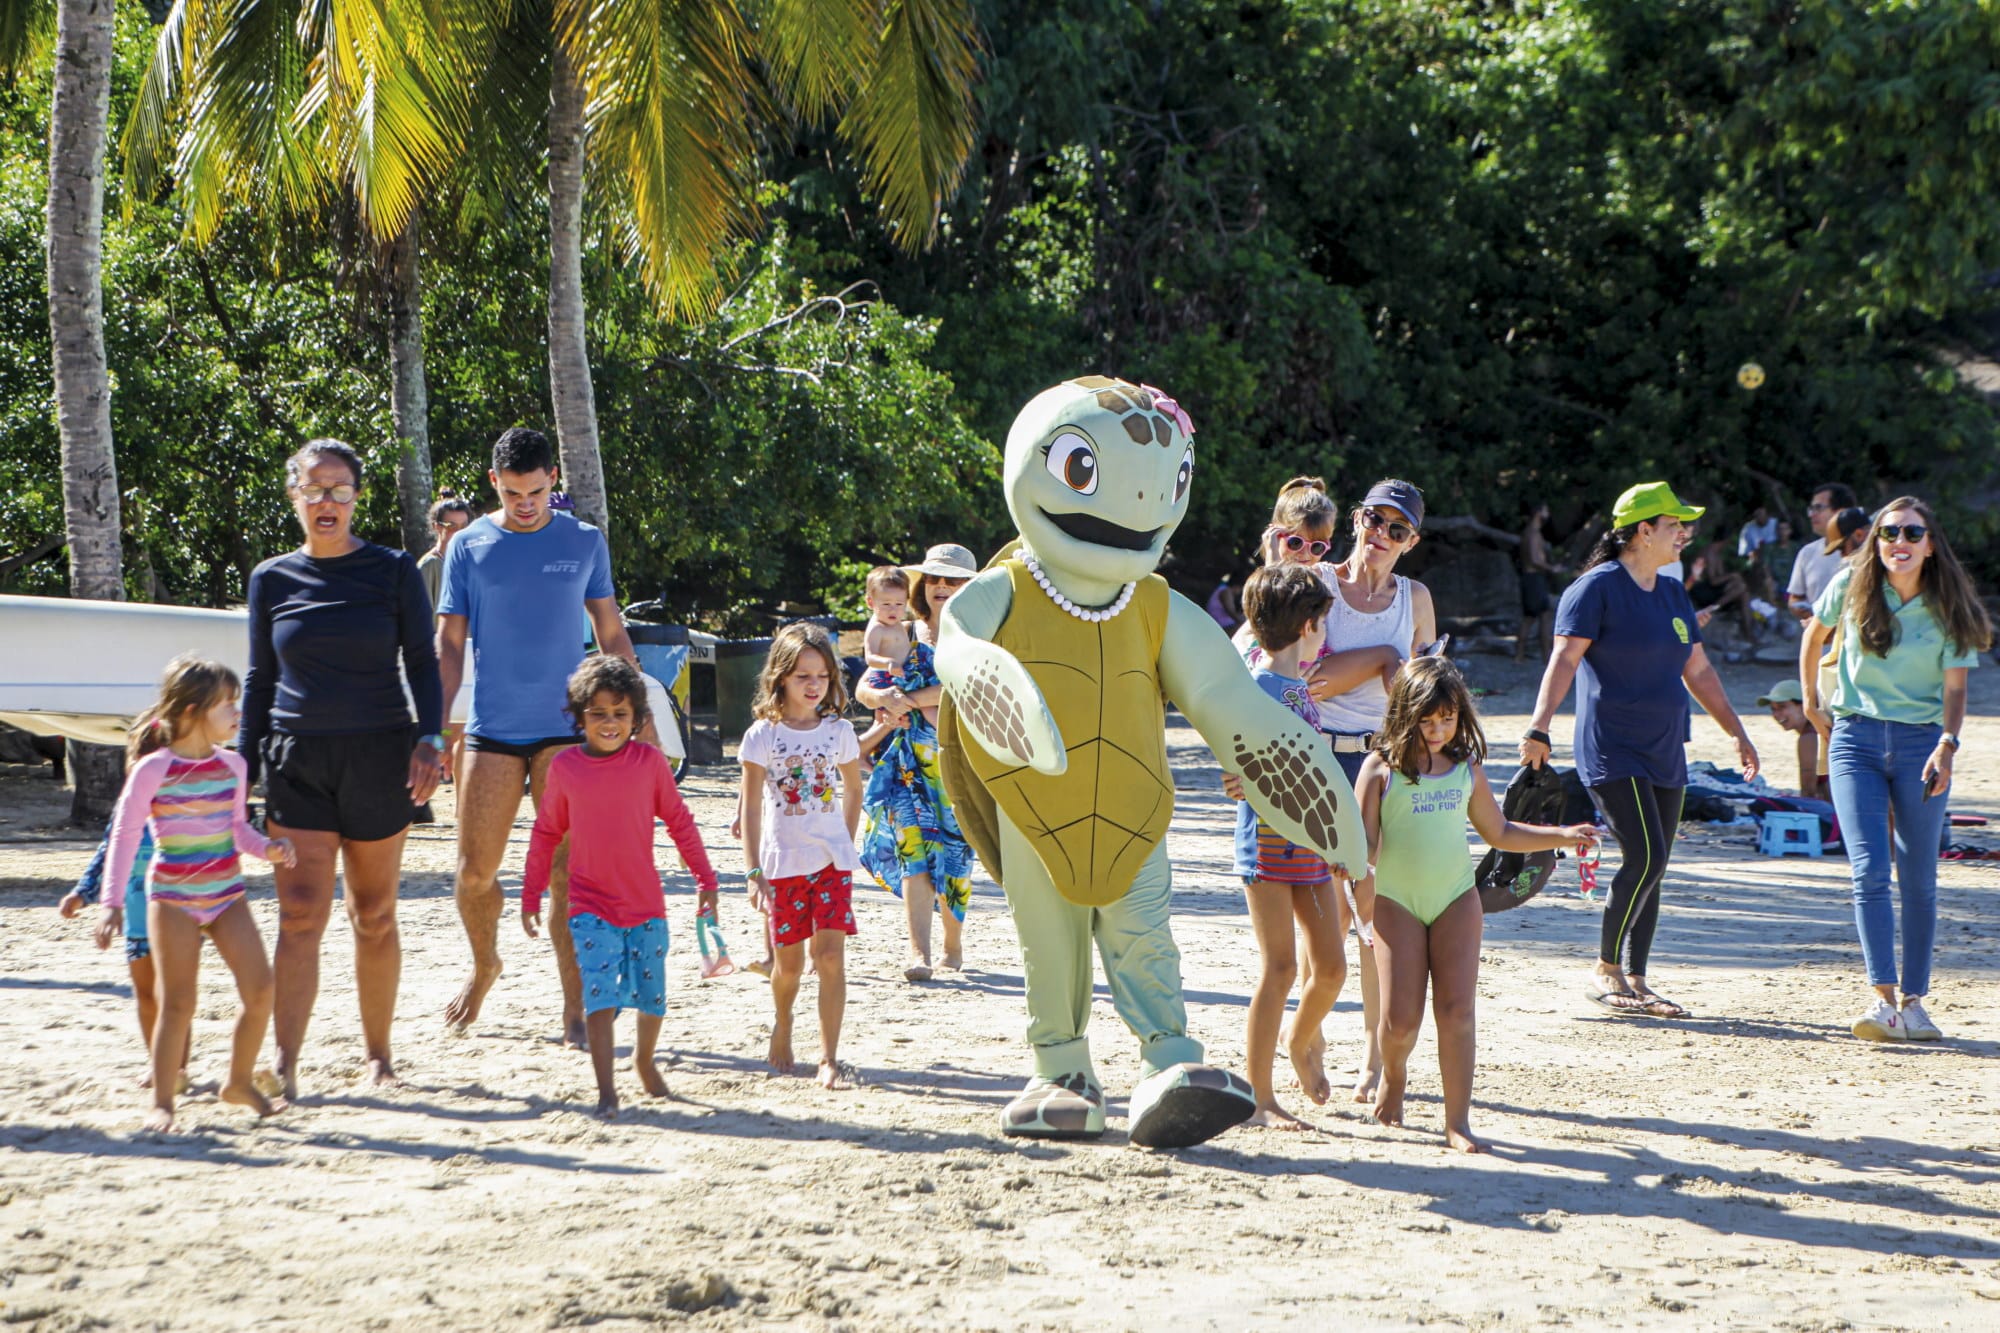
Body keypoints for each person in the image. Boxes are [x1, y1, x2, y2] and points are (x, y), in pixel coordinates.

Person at [239, 438, 444, 1099]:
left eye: (340, 490)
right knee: (299, 914)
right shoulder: (270, 578)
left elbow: (421, 658)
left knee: (375, 911)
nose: (327, 502)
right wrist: (241, 766)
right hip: (297, 759)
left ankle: (379, 1055)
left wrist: (429, 739)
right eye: (314, 488)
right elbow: (258, 677)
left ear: (357, 497)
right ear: (294, 494)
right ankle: (286, 1060)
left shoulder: (391, 571)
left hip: (381, 756)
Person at [436, 426, 651, 1044]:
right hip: (491, 731)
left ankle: (575, 1009)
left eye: (533, 491)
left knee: (570, 875)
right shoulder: (469, 547)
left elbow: (609, 630)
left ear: (552, 479)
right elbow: (450, 643)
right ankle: (486, 966)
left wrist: (638, 710)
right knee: (474, 873)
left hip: (567, 730)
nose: (524, 504)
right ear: (493, 484)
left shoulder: (583, 541)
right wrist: (437, 723)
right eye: (511, 493)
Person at [1522, 482, 1759, 1020]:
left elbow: (1697, 670)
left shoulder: (1674, 592)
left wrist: (1737, 732)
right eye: (1676, 524)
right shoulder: (1595, 588)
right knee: (1646, 853)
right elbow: (1562, 661)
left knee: (1657, 862)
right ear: (1642, 530)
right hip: (1612, 747)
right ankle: (1604, 971)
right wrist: (1538, 728)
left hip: (1666, 746)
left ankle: (1638, 978)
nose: (1686, 533)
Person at [1360, 657, 1598, 1153]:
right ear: (1405, 714)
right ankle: (1394, 1077)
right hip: (1396, 901)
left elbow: (1500, 832)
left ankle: (1457, 1122)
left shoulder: (1466, 766)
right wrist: (1344, 862)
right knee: (1400, 1019)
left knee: (1456, 1011)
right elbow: (1363, 845)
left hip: (1455, 899)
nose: (1437, 729)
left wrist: (1563, 835)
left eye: (1446, 718)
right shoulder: (1380, 768)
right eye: (1426, 720)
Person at [1801, 497, 1990, 1043]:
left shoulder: (1948, 605)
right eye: (1888, 533)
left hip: (1922, 747)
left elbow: (1957, 690)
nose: (1898, 542)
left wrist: (1947, 746)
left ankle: (1915, 1002)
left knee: (1919, 879)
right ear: (1875, 540)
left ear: (1931, 544)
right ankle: (1882, 1001)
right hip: (1854, 738)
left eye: (1912, 533)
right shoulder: (1850, 586)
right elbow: (1814, 636)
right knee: (1868, 870)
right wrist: (1813, 703)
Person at [100, 655, 298, 1130]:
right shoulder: (153, 769)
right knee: (178, 1002)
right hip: (171, 899)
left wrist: (267, 848)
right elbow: (125, 836)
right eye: (227, 704)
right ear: (191, 711)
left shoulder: (232, 765)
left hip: (227, 894)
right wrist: (109, 905)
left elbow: (236, 831)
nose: (237, 713)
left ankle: (237, 1082)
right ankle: (163, 1102)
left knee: (262, 989)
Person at [520, 657, 718, 1116]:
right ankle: (606, 1089)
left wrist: (706, 879)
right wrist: (532, 892)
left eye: (620, 713)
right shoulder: (566, 768)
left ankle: (645, 1062)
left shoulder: (649, 763)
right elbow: (546, 832)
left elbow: (679, 822)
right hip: (588, 905)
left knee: (652, 996)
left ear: (637, 719)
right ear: (578, 715)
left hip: (646, 903)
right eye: (598, 713)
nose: (609, 723)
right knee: (600, 995)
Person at [1226, 565, 1354, 1129]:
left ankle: (1298, 1040)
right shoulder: (1257, 686)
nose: (1325, 633)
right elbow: (1239, 757)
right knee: (1279, 968)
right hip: (1268, 851)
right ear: (1307, 625)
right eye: (1324, 622)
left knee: (1330, 970)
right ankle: (1260, 1099)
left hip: (1311, 850)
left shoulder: (1299, 689)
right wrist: (1238, 776)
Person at [741, 623, 864, 1089]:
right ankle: (784, 1022)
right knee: (788, 967)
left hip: (832, 863)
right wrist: (753, 871)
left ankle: (829, 1057)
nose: (814, 686)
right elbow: (750, 805)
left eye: (822, 676)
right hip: (782, 865)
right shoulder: (762, 736)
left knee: (830, 957)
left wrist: (843, 842)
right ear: (780, 679)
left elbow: (853, 789)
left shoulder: (839, 732)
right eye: (801, 676)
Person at [854, 543, 978, 980]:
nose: (942, 586)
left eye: (954, 579)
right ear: (923, 585)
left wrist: (906, 698)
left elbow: (965, 688)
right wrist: (881, 697)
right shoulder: (901, 628)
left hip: (961, 764)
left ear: (969, 587)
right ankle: (918, 953)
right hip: (908, 762)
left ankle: (952, 946)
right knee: (914, 852)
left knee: (957, 859)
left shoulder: (980, 635)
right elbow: (864, 685)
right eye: (936, 579)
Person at [61, 826, 190, 1091]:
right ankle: (157, 1061)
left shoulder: (180, 802)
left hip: (181, 919)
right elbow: (107, 854)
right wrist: (82, 893)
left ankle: (176, 1068)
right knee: (145, 996)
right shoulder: (127, 812)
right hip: (137, 922)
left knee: (174, 998)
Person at [1786, 483, 1859, 621]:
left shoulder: (1870, 551)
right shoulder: (1807, 553)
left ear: (1842, 512)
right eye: (1811, 509)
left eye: (1818, 508)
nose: (1811, 515)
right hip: (1819, 640)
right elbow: (1795, 597)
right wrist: (1804, 611)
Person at [1514, 501, 1566, 663]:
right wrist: (1552, 568)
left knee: (1535, 617)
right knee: (1537, 617)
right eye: (1545, 510)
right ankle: (1542, 656)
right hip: (1534, 579)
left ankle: (1528, 655)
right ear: (1538, 513)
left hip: (1531, 579)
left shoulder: (1530, 532)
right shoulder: (1533, 533)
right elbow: (1535, 559)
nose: (1548, 514)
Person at [1758, 679, 1826, 799]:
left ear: (1802, 706)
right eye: (1773, 709)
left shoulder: (1809, 738)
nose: (1776, 714)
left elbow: (1808, 791)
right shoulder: (1821, 728)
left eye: (1782, 707)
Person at [416, 492, 474, 611]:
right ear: (436, 526)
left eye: (464, 526)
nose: (459, 532)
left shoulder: (472, 563)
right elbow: (419, 617)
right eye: (451, 526)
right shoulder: (429, 565)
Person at [861, 566, 912, 675]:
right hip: (885, 677)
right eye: (886, 604)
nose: (893, 610)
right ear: (870, 602)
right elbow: (869, 658)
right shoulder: (877, 628)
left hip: (903, 672)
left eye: (899, 604)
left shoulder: (897, 624)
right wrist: (888, 663)